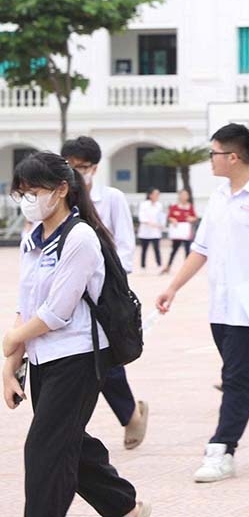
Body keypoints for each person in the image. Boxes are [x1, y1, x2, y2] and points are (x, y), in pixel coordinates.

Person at [3, 151, 150, 517]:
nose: (27, 201)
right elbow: (27, 304)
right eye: (22, 193)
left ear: (61, 190)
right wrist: (11, 364)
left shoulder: (80, 237)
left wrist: (12, 338)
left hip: (78, 358)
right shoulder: (32, 238)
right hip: (43, 359)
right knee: (70, 442)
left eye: (34, 191)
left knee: (44, 451)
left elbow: (56, 312)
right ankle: (124, 507)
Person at [155, 124, 249, 483]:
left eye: (214, 153)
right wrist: (172, 287)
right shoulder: (219, 197)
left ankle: (222, 450)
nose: (210, 160)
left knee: (236, 378)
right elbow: (200, 249)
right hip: (221, 307)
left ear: (233, 157)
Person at [60, 137, 149, 452]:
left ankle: (127, 416)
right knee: (78, 357)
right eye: (69, 166)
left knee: (104, 355)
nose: (75, 172)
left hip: (103, 294)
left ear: (95, 168)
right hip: (65, 291)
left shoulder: (111, 198)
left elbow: (124, 244)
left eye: (82, 167)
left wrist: (111, 282)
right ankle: (127, 415)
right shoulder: (57, 197)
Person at [164, 189, 198, 275]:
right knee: (174, 250)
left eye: (186, 195)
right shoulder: (174, 207)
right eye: (182, 195)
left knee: (187, 250)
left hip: (186, 232)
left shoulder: (190, 207)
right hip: (177, 232)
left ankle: (187, 268)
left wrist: (191, 219)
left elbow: (195, 217)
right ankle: (168, 266)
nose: (184, 196)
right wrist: (173, 220)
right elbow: (169, 217)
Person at [136, 189, 164, 271]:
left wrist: (161, 224)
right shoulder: (144, 205)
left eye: (158, 194)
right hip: (145, 231)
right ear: (150, 195)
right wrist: (149, 223)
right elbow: (142, 217)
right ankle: (143, 266)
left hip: (156, 231)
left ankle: (159, 264)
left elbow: (161, 216)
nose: (157, 196)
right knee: (144, 249)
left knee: (157, 249)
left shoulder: (159, 205)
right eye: (155, 194)